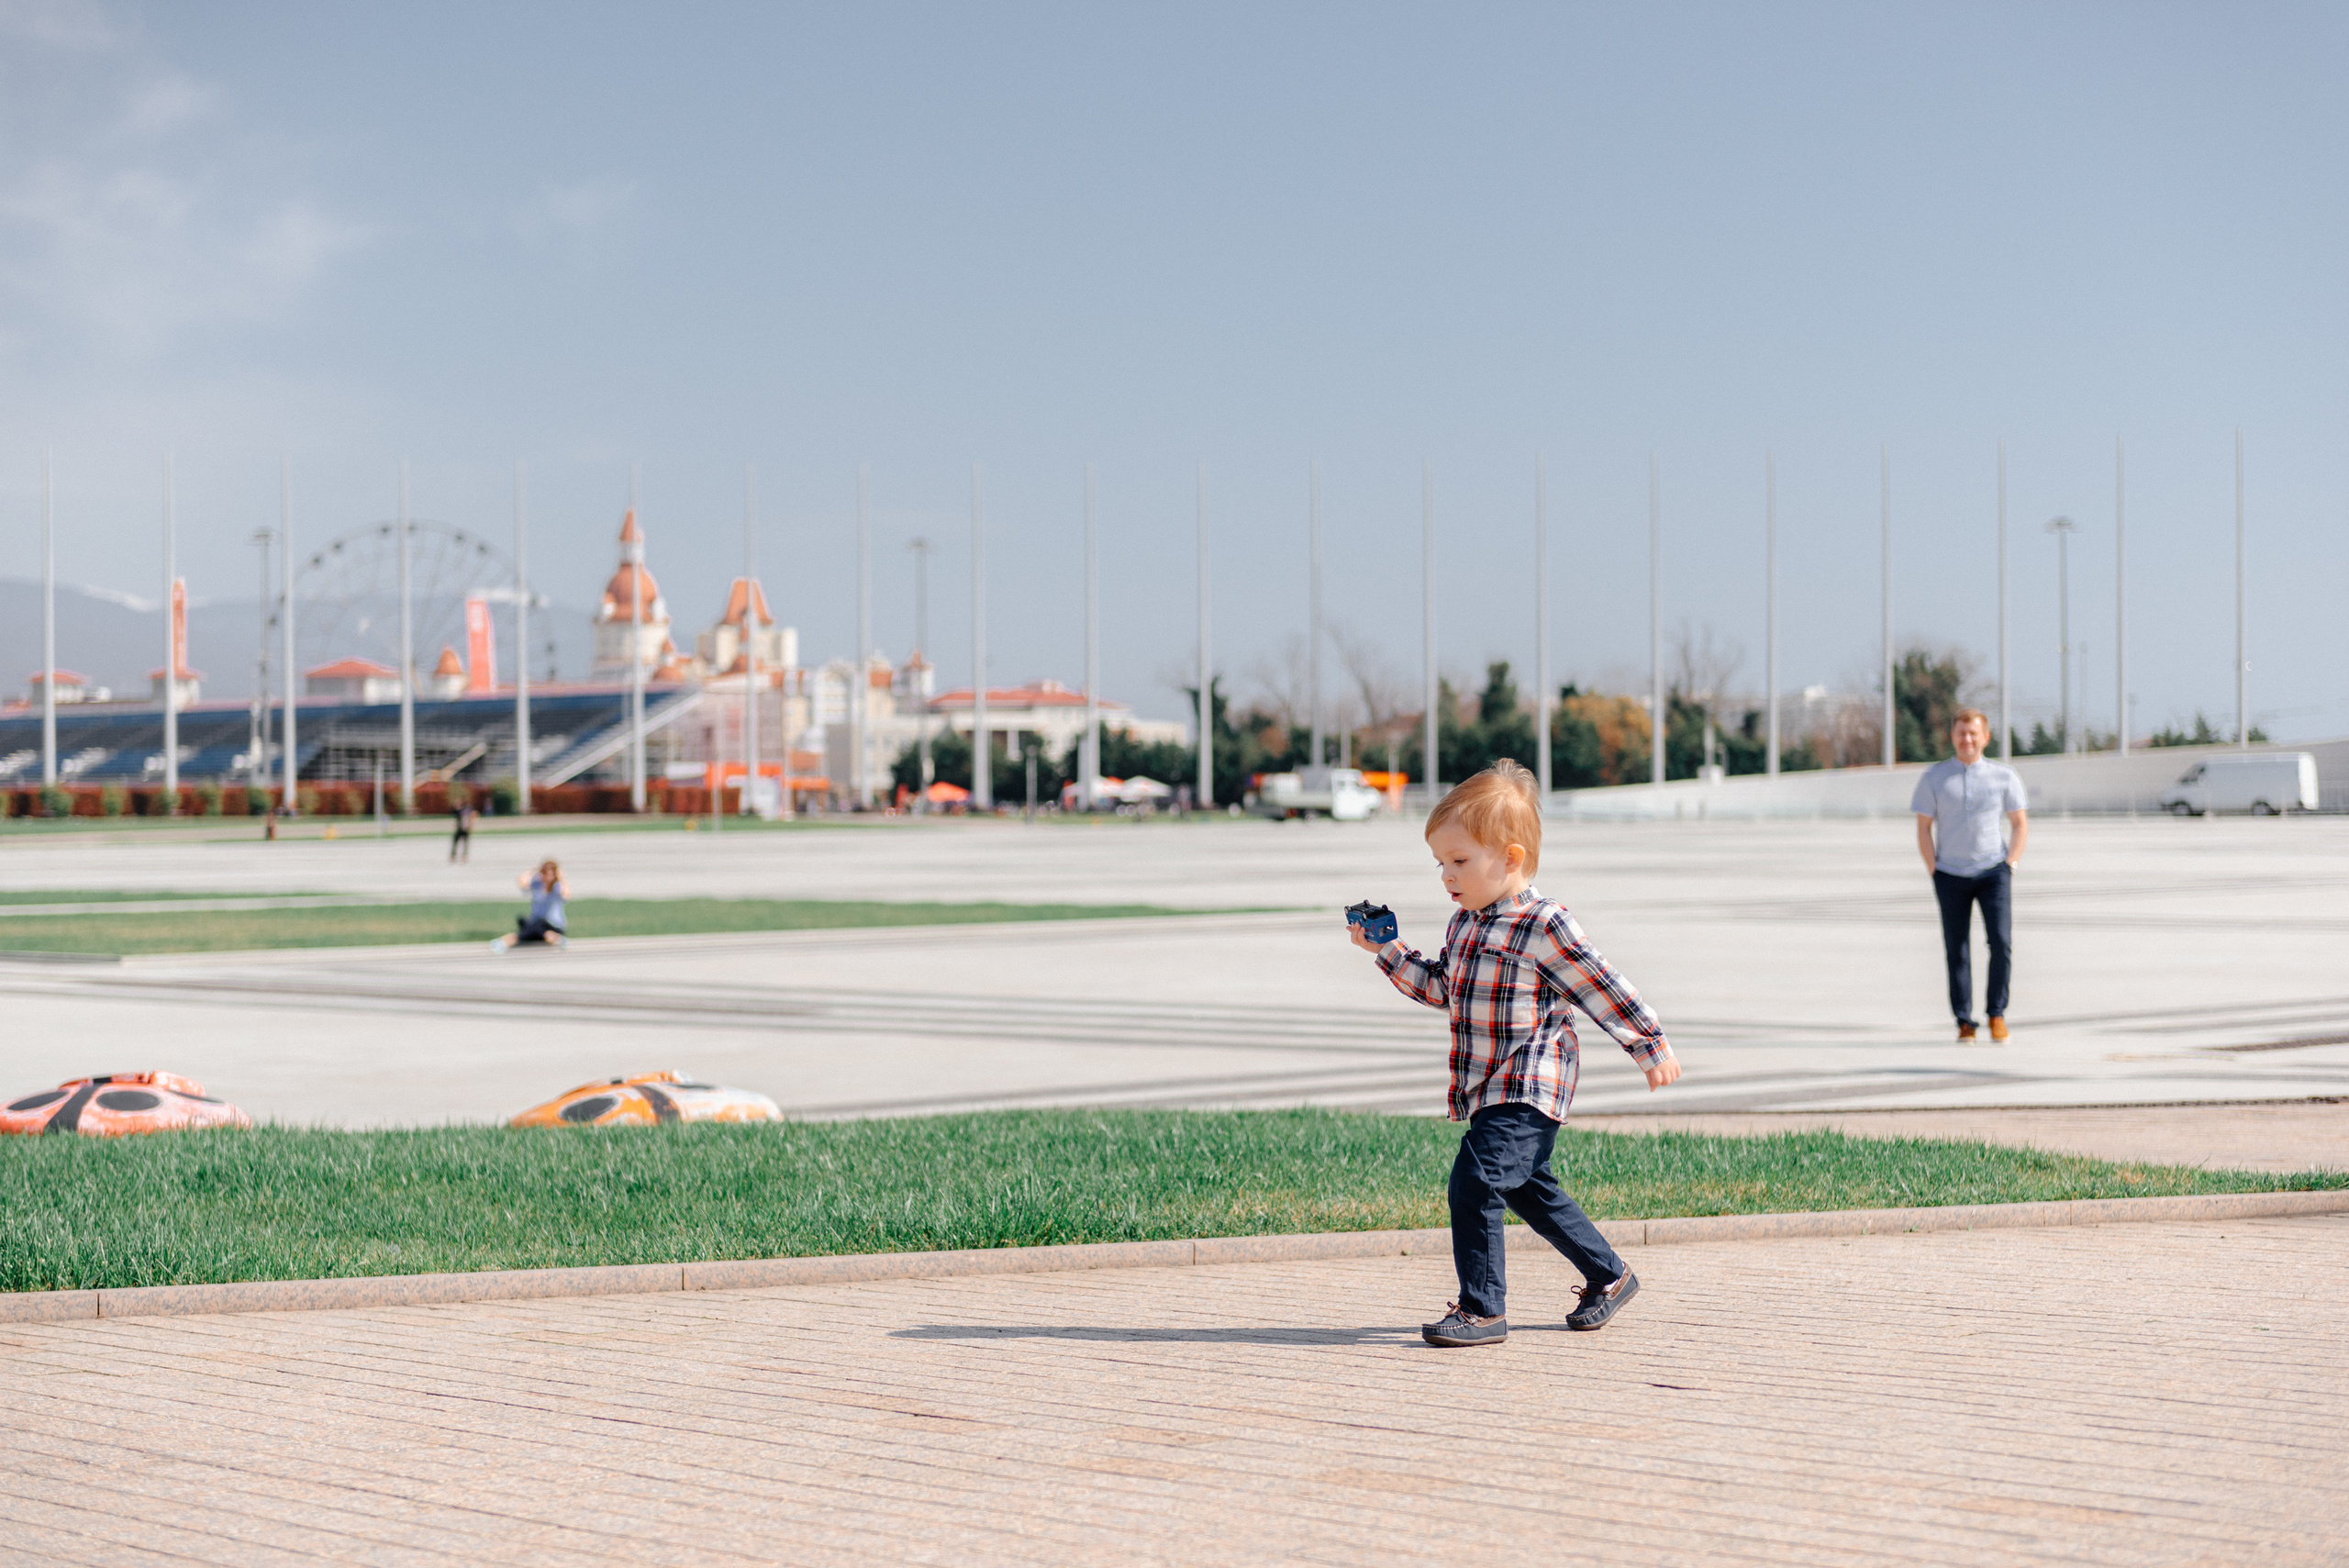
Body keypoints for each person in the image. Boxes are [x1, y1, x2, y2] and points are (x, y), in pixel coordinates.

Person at [1352, 759, 1680, 1349]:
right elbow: (1444, 989)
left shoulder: (1543, 923)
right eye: (1440, 864)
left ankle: (1482, 1310)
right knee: (1528, 1186)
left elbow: (1599, 983)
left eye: (1459, 862)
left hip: (1532, 1079)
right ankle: (1610, 1274)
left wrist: (1648, 1043)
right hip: (1488, 1084)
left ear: (1510, 858)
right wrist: (1389, 950)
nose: (1446, 876)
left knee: (1475, 1180)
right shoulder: (1464, 925)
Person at [1911, 708, 2029, 1042]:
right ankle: (1964, 1021)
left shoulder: (2004, 776)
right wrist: (1934, 869)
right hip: (1950, 873)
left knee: (2001, 944)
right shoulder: (1935, 778)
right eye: (1961, 733)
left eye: (1973, 733)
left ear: (1985, 738)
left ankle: (1997, 1014)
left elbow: (2020, 824)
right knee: (1957, 948)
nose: (1967, 739)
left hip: (1994, 872)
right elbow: (1923, 827)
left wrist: (2011, 864)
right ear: (1952, 737)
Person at [492, 860, 569, 951]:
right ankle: (557, 939)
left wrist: (562, 878)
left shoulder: (557, 887)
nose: (548, 877)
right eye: (545, 874)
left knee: (538, 925)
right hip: (536, 925)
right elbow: (521, 882)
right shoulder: (537, 885)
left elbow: (567, 895)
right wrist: (534, 870)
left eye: (551, 874)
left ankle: (506, 942)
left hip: (553, 925)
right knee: (524, 921)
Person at [449, 795, 475, 863]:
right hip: (462, 828)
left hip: (462, 829)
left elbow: (472, 815)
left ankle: (458, 856)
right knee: (461, 843)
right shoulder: (466, 810)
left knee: (460, 843)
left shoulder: (462, 810)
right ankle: (458, 856)